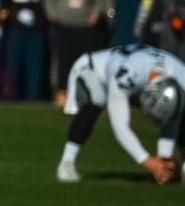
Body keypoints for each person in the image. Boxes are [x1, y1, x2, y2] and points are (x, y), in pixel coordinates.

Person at [56, 44, 185, 184]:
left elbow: (173, 113)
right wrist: (146, 161)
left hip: (136, 73)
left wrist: (163, 160)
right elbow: (120, 126)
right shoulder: (127, 75)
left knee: (180, 110)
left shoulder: (181, 75)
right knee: (97, 100)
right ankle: (66, 162)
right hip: (94, 68)